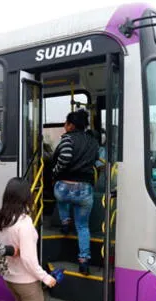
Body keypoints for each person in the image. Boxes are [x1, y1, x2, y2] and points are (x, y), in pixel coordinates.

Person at [51, 110, 99, 275]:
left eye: (65, 124)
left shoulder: (67, 139)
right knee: (83, 226)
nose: (65, 127)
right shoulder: (93, 142)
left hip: (64, 187)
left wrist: (56, 172)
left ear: (71, 125)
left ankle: (65, 222)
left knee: (61, 197)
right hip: (84, 189)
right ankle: (84, 261)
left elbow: (64, 158)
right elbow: (96, 160)